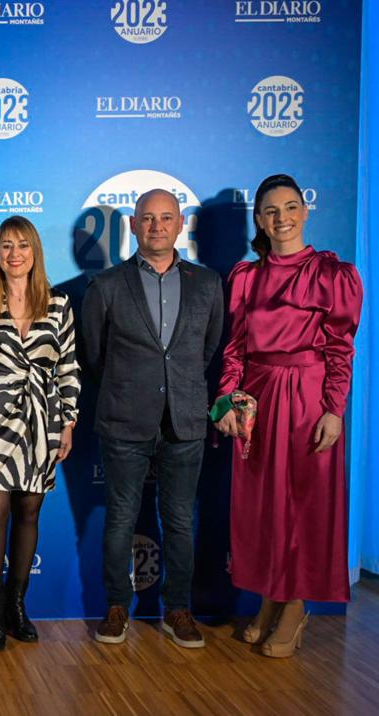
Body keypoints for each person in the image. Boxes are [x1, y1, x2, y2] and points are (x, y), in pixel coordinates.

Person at [213, 173, 362, 658]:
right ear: (259, 219)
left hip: (308, 398)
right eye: (271, 211)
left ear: (305, 211)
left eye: (291, 207)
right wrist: (227, 401)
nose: (282, 218)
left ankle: (295, 607)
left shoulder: (331, 273)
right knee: (263, 506)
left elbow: (341, 347)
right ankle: (270, 600)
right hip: (258, 398)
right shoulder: (245, 277)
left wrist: (334, 411)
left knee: (302, 504)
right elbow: (234, 349)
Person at [81, 189, 224, 649]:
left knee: (180, 519)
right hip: (124, 420)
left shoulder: (207, 284)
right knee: (120, 517)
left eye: (166, 218)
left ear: (181, 224)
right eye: (147, 218)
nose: (157, 226)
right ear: (133, 225)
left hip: (185, 421)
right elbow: (94, 357)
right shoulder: (105, 285)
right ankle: (117, 606)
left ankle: (177, 608)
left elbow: (207, 350)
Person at [0, 216, 80, 651]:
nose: (14, 254)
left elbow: (67, 368)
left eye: (23, 245)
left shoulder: (60, 305)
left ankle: (17, 607)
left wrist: (68, 421)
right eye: (6, 246)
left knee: (29, 513)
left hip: (42, 423)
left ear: (35, 253)